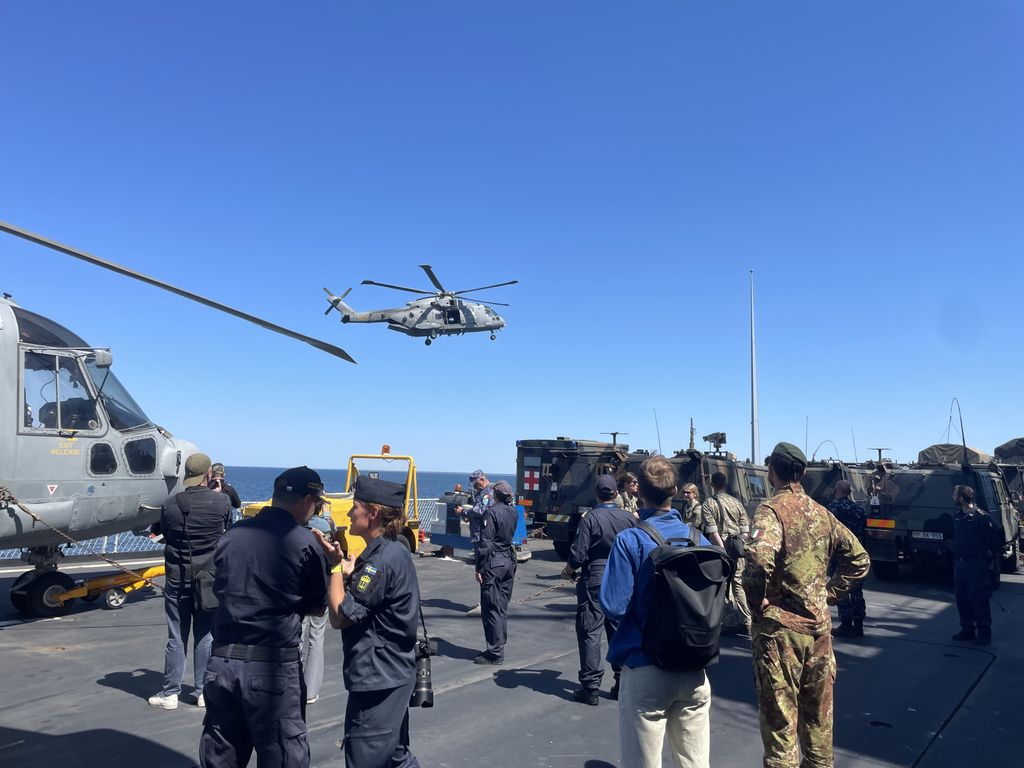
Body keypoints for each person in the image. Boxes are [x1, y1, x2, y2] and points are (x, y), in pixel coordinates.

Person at [742, 443, 870, 768]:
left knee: (782, 734)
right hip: (820, 635)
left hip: (782, 636)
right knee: (819, 731)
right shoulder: (822, 513)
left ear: (772, 471)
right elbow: (859, 560)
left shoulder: (771, 511)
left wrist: (758, 605)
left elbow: (757, 560)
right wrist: (827, 594)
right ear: (801, 473)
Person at [199, 466, 330, 768]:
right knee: (284, 757)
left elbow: (216, 586)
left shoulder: (233, 534)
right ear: (309, 500)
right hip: (271, 668)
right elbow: (318, 606)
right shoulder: (306, 543)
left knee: (220, 756)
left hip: (222, 665)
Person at [600, 455, 714, 768]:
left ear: (639, 492)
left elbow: (613, 605)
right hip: (694, 668)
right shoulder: (698, 539)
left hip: (646, 665)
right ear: (675, 490)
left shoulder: (631, 540)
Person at [315, 476, 422, 768]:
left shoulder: (379, 562)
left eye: (355, 507)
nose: (349, 513)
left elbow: (340, 616)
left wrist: (334, 566)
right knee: (396, 756)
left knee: (365, 757)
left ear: (372, 513)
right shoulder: (394, 549)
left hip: (378, 678)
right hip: (393, 672)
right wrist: (351, 572)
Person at [149, 452, 232, 710]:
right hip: (208, 581)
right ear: (209, 475)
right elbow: (227, 530)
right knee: (205, 636)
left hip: (177, 577)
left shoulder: (171, 504)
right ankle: (202, 692)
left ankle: (170, 693)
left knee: (176, 636)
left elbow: (162, 531)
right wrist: (218, 493)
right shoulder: (222, 503)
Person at [561, 474, 636, 705]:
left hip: (595, 576)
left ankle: (591, 687)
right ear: (616, 493)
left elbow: (578, 554)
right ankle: (622, 682)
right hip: (621, 579)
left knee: (590, 632)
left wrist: (569, 571)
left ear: (596, 493)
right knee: (618, 632)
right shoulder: (629, 518)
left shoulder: (590, 519)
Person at [473, 480, 519, 665]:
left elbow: (486, 543)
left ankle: (495, 652)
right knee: (501, 607)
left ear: (496, 495)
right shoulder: (514, 512)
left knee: (491, 607)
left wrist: (479, 567)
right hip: (509, 560)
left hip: (494, 562)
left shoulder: (492, 513)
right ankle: (499, 645)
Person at [700, 471, 751, 635]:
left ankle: (729, 621)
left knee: (724, 584)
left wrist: (722, 549)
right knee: (739, 584)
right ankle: (747, 620)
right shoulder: (736, 502)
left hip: (721, 549)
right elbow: (745, 529)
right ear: (725, 483)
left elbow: (712, 530)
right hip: (738, 549)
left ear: (712, 484)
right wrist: (739, 546)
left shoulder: (709, 504)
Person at [951, 484, 1001, 646]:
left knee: (979, 599)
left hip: (976, 565)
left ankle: (984, 633)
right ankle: (967, 630)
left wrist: (986, 561)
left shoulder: (982, 517)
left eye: (954, 494)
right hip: (960, 564)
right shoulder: (958, 515)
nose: (952, 497)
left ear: (961, 498)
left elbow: (994, 543)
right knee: (962, 599)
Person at [301, 502, 336, 704]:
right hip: (321, 586)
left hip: (299, 587)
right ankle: (311, 690)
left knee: (297, 635)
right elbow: (331, 528)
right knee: (316, 637)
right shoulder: (324, 526)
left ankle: (294, 683)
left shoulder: (297, 527)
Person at [828, 480, 868, 638]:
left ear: (836, 490)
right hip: (857, 556)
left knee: (841, 590)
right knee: (857, 590)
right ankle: (858, 625)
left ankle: (846, 624)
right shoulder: (859, 510)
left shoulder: (831, 510)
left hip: (839, 557)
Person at [462, 469, 494, 616]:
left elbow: (480, 510)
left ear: (482, 479)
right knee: (481, 571)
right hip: (480, 536)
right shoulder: (483, 493)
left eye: (475, 484)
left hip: (483, 537)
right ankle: (484, 601)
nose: (474, 487)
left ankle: (486, 604)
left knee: (483, 571)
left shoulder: (488, 493)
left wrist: (464, 512)